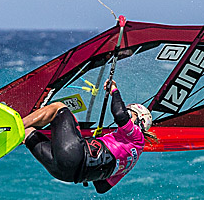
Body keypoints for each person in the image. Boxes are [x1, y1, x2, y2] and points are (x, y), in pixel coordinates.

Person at [23, 78, 152, 193]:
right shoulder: (129, 164)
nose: (127, 117)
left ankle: (17, 124)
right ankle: (11, 132)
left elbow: (119, 115)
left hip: (73, 155)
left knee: (58, 108)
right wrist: (100, 152)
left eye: (130, 114)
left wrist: (114, 90)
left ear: (139, 121)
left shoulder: (136, 136)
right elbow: (101, 187)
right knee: (28, 133)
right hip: (65, 174)